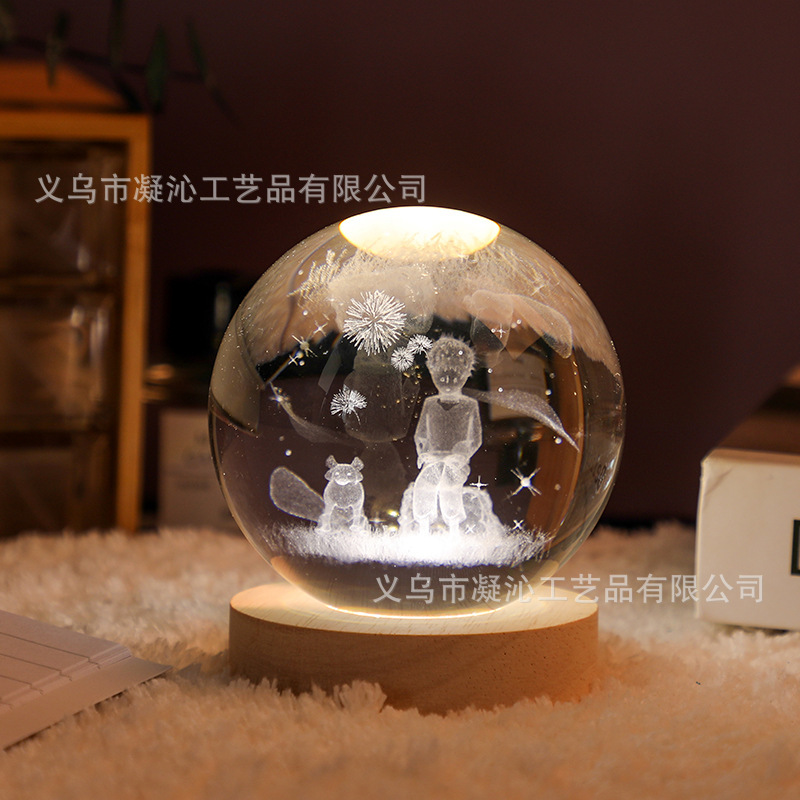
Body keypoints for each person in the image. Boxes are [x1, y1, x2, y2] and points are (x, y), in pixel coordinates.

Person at [412, 337, 481, 535]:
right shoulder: (430, 403)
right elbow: (420, 433)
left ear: (466, 375)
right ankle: (423, 526)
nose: (448, 383)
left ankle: (454, 527)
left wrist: (463, 455)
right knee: (423, 486)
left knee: (449, 488)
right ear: (433, 374)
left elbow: (476, 438)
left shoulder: (470, 405)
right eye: (442, 378)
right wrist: (422, 452)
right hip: (433, 458)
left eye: (454, 378)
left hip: (456, 460)